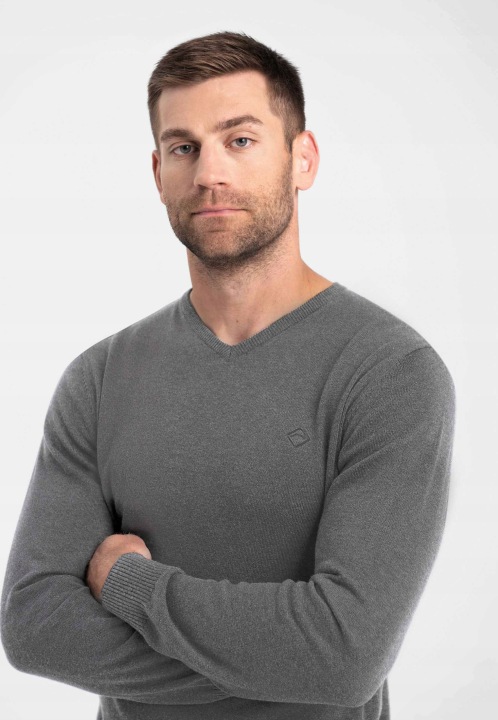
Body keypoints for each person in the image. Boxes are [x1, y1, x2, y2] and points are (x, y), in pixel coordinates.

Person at [1, 30, 456, 720]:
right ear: (159, 173)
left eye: (240, 140)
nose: (210, 173)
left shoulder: (389, 372)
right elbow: (34, 625)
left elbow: (344, 656)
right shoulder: (98, 380)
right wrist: (289, 662)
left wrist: (128, 583)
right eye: (184, 147)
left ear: (302, 159)